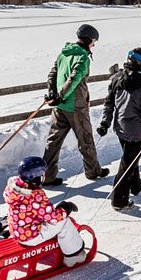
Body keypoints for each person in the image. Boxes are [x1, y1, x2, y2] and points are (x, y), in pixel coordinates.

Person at [41, 23, 106, 186]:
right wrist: (61, 96)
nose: (94, 45)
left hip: (59, 108)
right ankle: (93, 171)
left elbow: (52, 74)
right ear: (88, 40)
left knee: (53, 142)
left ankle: (47, 176)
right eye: (93, 42)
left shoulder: (64, 53)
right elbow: (74, 80)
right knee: (86, 139)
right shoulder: (83, 57)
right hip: (76, 107)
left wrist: (53, 94)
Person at [97, 47, 141, 210]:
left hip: (120, 127)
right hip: (136, 131)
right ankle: (119, 200)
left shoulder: (117, 78)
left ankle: (136, 186)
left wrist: (105, 123)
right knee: (127, 164)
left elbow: (109, 103)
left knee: (131, 159)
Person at [3, 156, 86, 264]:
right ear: (36, 177)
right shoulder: (35, 196)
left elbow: (33, 209)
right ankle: (74, 255)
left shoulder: (13, 188)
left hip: (17, 231)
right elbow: (54, 217)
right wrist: (65, 209)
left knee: (47, 219)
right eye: (42, 174)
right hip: (30, 236)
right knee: (64, 222)